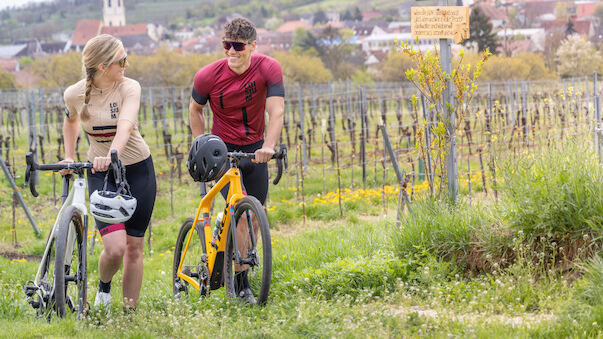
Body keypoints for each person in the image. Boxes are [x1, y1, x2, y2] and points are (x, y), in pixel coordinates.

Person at [189, 17, 285, 303]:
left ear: (253, 45)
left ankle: (234, 247)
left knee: (254, 217)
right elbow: (196, 110)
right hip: (222, 151)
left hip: (255, 148)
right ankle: (241, 285)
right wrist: (201, 143)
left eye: (238, 46)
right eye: (226, 45)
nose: (231, 51)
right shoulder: (207, 75)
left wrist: (269, 146)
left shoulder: (269, 68)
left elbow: (276, 112)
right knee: (242, 216)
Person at [61, 34, 156, 312]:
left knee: (134, 247)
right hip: (102, 174)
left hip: (138, 169)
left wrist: (112, 153)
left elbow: (126, 125)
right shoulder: (74, 94)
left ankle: (128, 316)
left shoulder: (129, 87)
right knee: (115, 248)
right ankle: (103, 287)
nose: (127, 64)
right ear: (102, 66)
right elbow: (70, 122)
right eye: (121, 60)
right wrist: (69, 154)